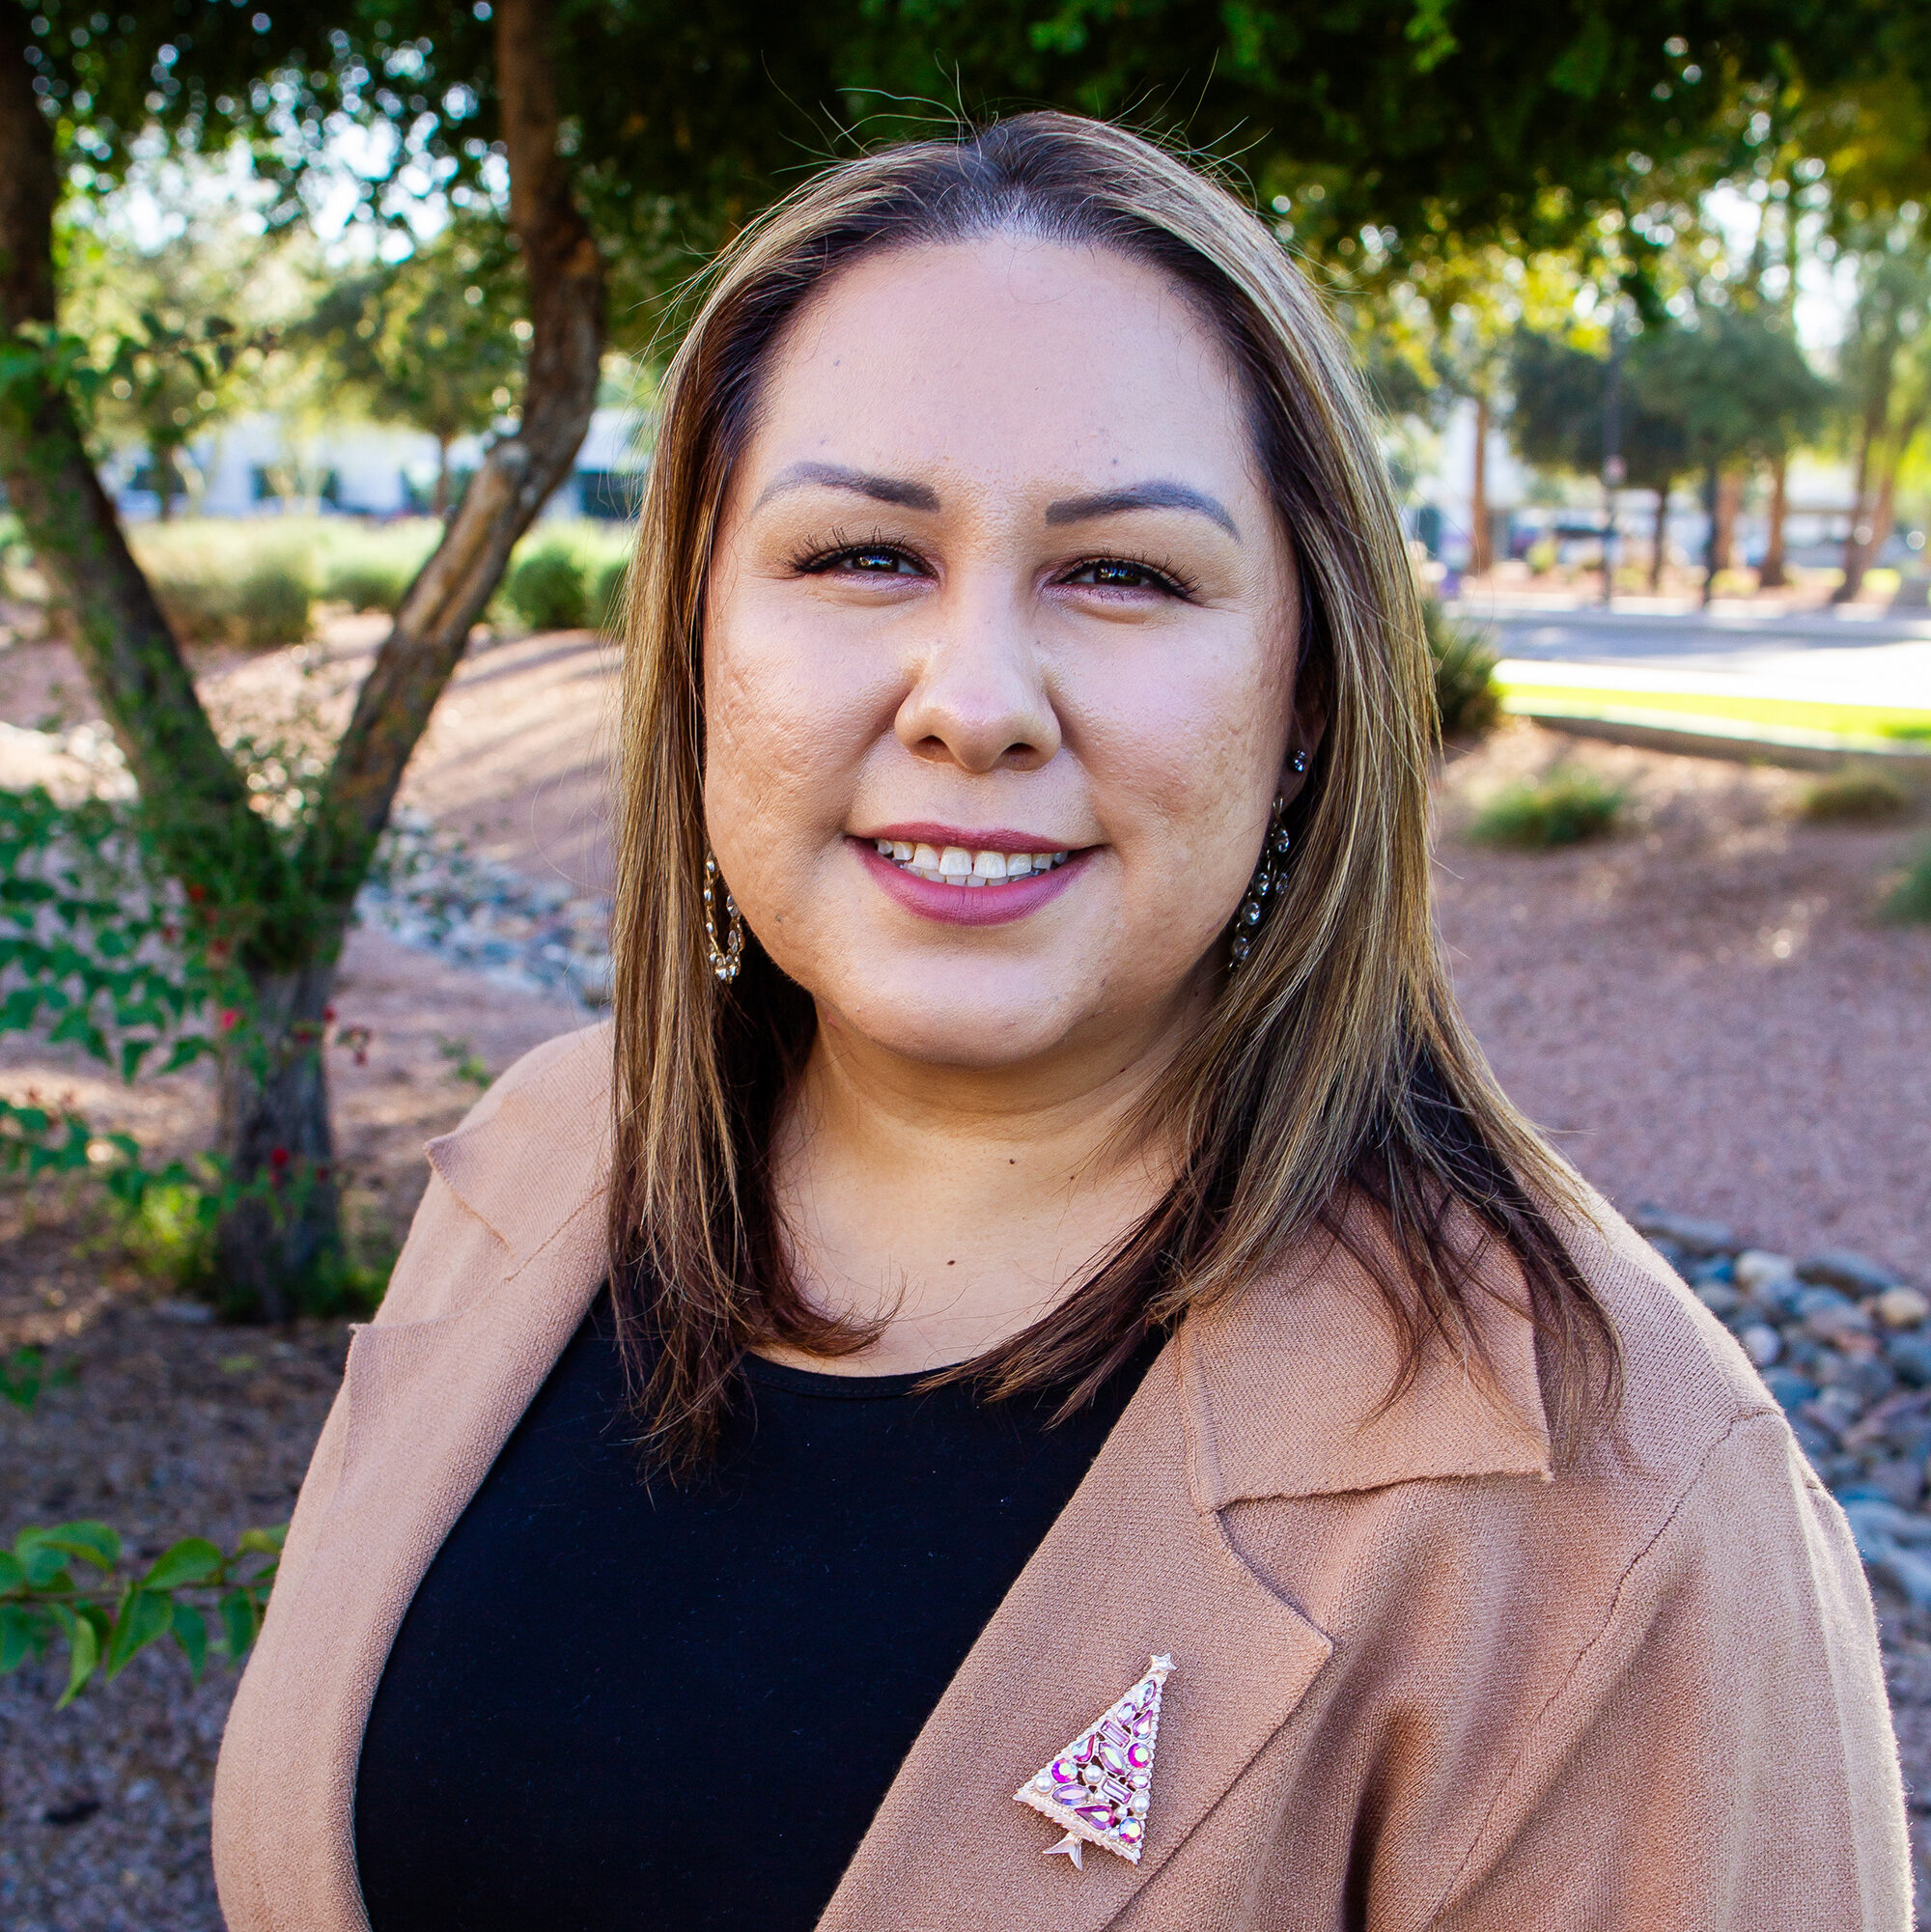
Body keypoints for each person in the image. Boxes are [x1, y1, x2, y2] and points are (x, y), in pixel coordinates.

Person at [211, 114, 1909, 1931]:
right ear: (698, 638)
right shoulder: (539, 1167)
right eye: (863, 553)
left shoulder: (1607, 1503)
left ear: (1312, 689)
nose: (975, 701)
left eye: (1122, 574)